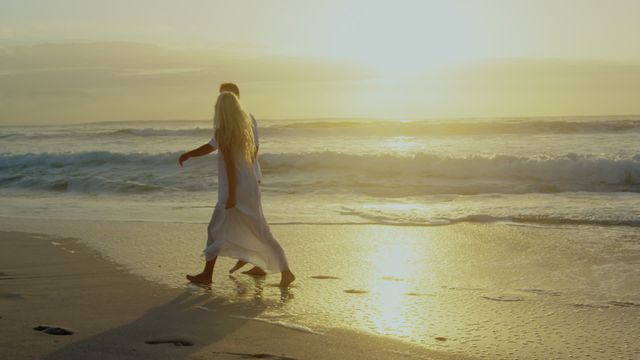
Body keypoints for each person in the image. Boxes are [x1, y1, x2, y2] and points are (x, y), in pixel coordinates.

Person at [178, 90, 295, 287]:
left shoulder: (224, 131)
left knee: (215, 230)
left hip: (234, 189)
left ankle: (207, 275)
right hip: (249, 186)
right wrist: (190, 154)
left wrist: (231, 196)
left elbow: (231, 167)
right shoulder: (243, 129)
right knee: (260, 229)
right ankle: (286, 271)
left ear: (221, 110)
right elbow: (211, 147)